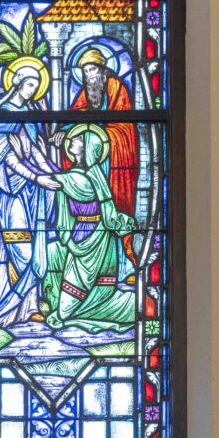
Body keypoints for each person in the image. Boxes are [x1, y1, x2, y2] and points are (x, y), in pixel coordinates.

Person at [0, 57, 58, 327]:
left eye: (36, 85)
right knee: (20, 244)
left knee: (36, 245)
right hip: (9, 189)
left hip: (31, 190)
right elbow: (6, 159)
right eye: (29, 84)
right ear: (18, 83)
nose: (33, 90)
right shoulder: (2, 114)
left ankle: (31, 306)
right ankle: (11, 306)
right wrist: (38, 176)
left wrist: (54, 172)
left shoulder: (29, 114)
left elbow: (34, 150)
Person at [40, 125, 136, 334]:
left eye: (78, 140)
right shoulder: (81, 177)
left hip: (97, 237)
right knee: (66, 308)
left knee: (67, 310)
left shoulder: (84, 179)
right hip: (79, 235)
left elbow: (55, 178)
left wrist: (34, 155)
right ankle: (105, 309)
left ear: (88, 149)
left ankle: (117, 309)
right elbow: (60, 187)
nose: (72, 141)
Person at [52, 46, 139, 265]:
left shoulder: (116, 88)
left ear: (102, 70)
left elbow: (124, 130)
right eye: (85, 71)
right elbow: (73, 120)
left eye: (92, 70)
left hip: (114, 163)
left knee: (113, 209)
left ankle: (121, 259)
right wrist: (64, 133)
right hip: (94, 167)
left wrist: (96, 133)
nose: (88, 75)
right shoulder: (86, 93)